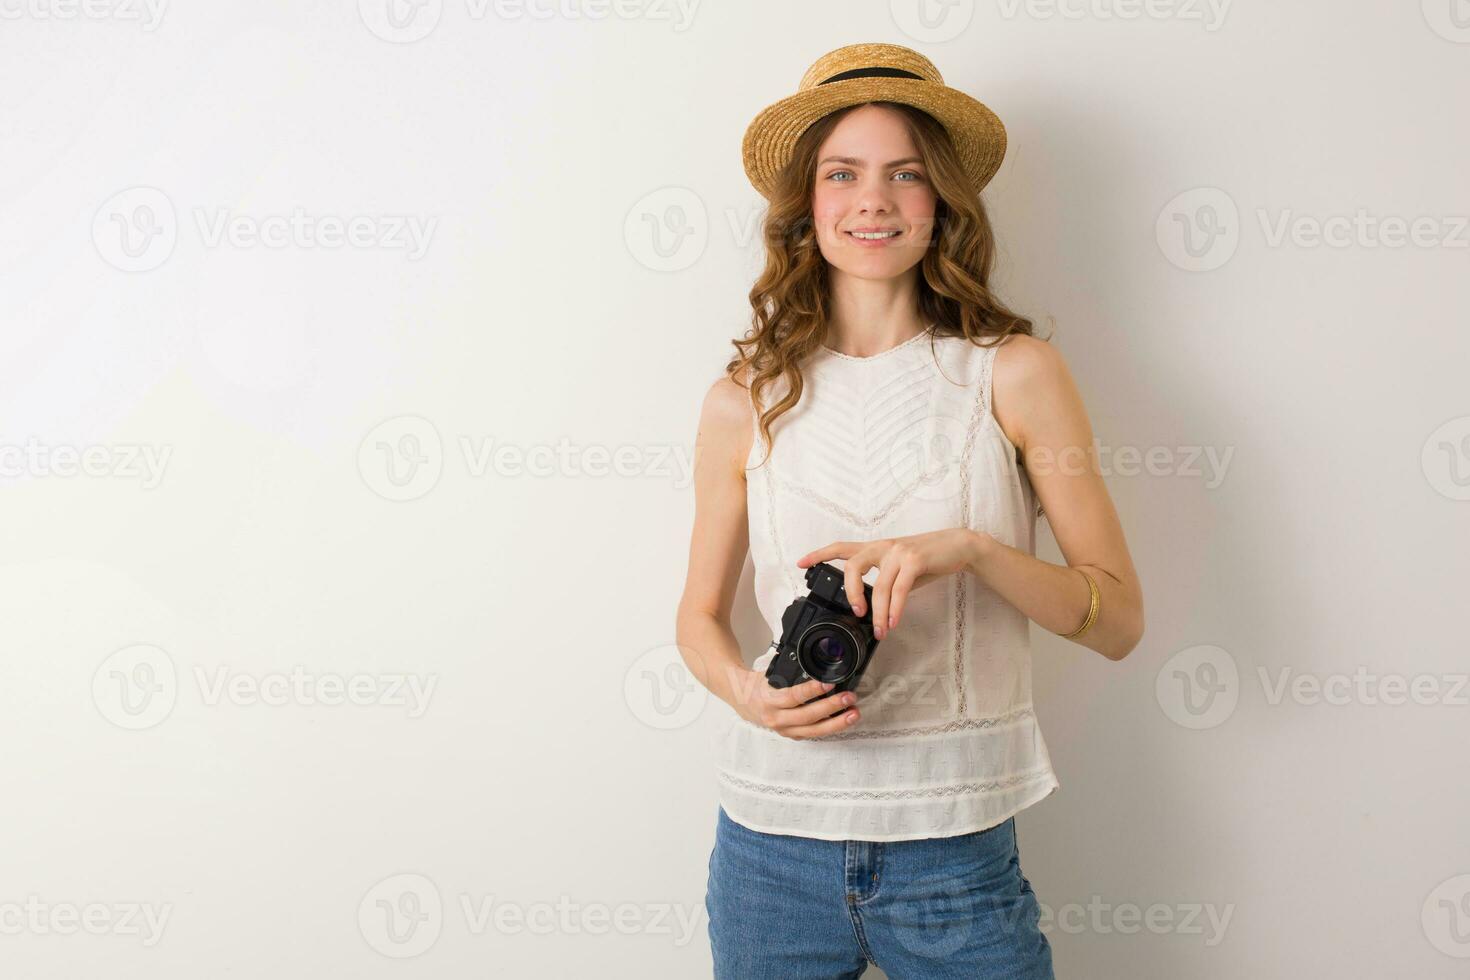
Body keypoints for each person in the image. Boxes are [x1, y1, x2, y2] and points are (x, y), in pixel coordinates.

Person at [675, 42, 1145, 978]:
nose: (873, 201)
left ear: (944, 205)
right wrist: (751, 698)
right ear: (808, 208)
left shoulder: (1013, 373)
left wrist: (968, 549)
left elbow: (1119, 621)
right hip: (768, 850)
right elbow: (696, 618)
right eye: (842, 175)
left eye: (907, 175)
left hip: (955, 849)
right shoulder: (745, 396)